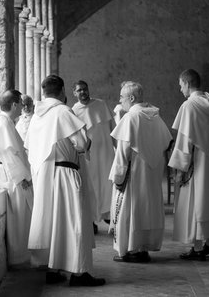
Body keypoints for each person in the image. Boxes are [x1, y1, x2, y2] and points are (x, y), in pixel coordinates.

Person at [25, 75, 105, 286]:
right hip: (66, 174)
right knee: (75, 222)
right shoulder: (63, 111)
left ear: (44, 93)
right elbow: (81, 143)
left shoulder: (36, 116)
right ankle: (80, 274)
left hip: (45, 175)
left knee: (55, 223)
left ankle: (53, 269)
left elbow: (29, 147)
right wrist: (87, 142)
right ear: (61, 92)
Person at [109, 81, 172, 263]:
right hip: (152, 173)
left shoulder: (131, 118)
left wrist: (118, 177)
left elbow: (123, 150)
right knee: (147, 210)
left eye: (121, 96)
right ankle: (143, 248)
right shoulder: (155, 116)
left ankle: (130, 250)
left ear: (131, 98)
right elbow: (165, 144)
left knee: (131, 210)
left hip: (134, 173)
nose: (119, 100)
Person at [168, 69, 209, 260]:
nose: (180, 89)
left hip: (195, 162)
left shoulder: (189, 106)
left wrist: (179, 168)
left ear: (187, 84)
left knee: (195, 201)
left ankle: (198, 249)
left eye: (181, 85)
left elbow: (184, 140)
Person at [0, 89, 33, 267]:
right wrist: (23, 177)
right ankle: (19, 258)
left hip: (8, 172)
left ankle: (23, 256)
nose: (23, 109)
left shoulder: (4, 121)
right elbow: (9, 154)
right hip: (8, 174)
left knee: (22, 214)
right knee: (20, 214)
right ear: (15, 104)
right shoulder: (3, 123)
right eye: (21, 105)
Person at [72, 80, 115, 230]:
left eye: (85, 89)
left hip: (106, 153)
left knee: (107, 184)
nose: (83, 92)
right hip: (89, 156)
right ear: (74, 93)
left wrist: (116, 148)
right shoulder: (74, 111)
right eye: (79, 90)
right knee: (91, 186)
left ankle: (110, 216)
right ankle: (91, 220)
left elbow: (112, 128)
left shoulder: (101, 104)